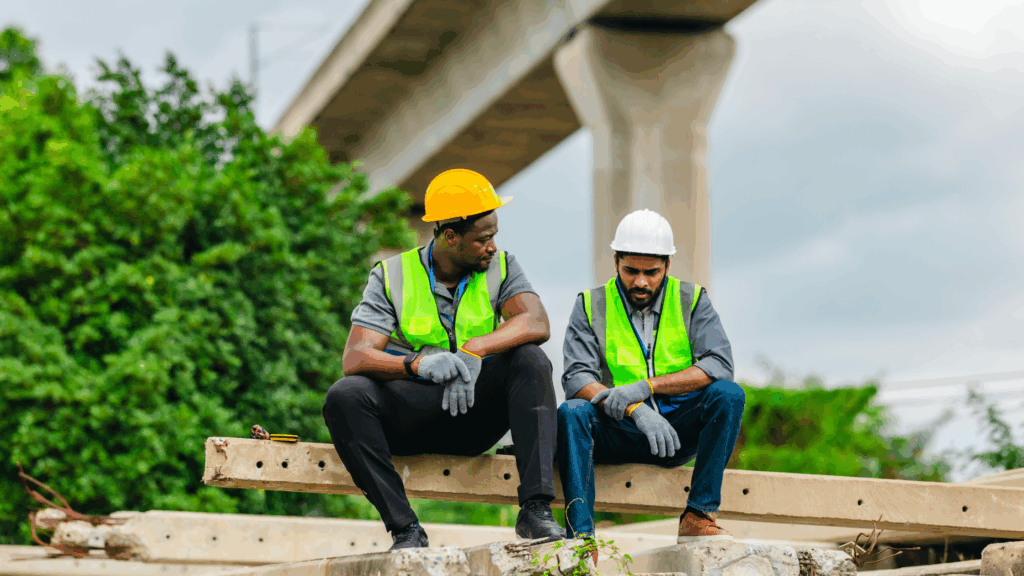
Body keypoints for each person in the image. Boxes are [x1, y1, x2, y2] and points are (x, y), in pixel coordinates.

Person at [323, 169, 564, 550]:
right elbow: (355, 356)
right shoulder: (392, 275)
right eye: (483, 239)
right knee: (345, 395)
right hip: (413, 415)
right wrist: (414, 365)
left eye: (494, 235)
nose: (492, 246)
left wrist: (475, 349)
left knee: (531, 359)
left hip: (474, 417)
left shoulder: (502, 266)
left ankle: (535, 510)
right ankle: (406, 530)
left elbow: (535, 320)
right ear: (450, 236)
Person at [557, 209, 745, 545]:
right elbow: (576, 377)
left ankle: (699, 514)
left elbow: (718, 363)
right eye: (631, 271)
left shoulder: (691, 299)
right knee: (572, 412)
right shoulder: (589, 304)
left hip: (675, 431)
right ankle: (581, 539)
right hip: (618, 429)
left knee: (728, 394)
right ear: (615, 261)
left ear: (667, 266)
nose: (640, 281)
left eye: (651, 272)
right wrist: (635, 409)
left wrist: (647, 388)